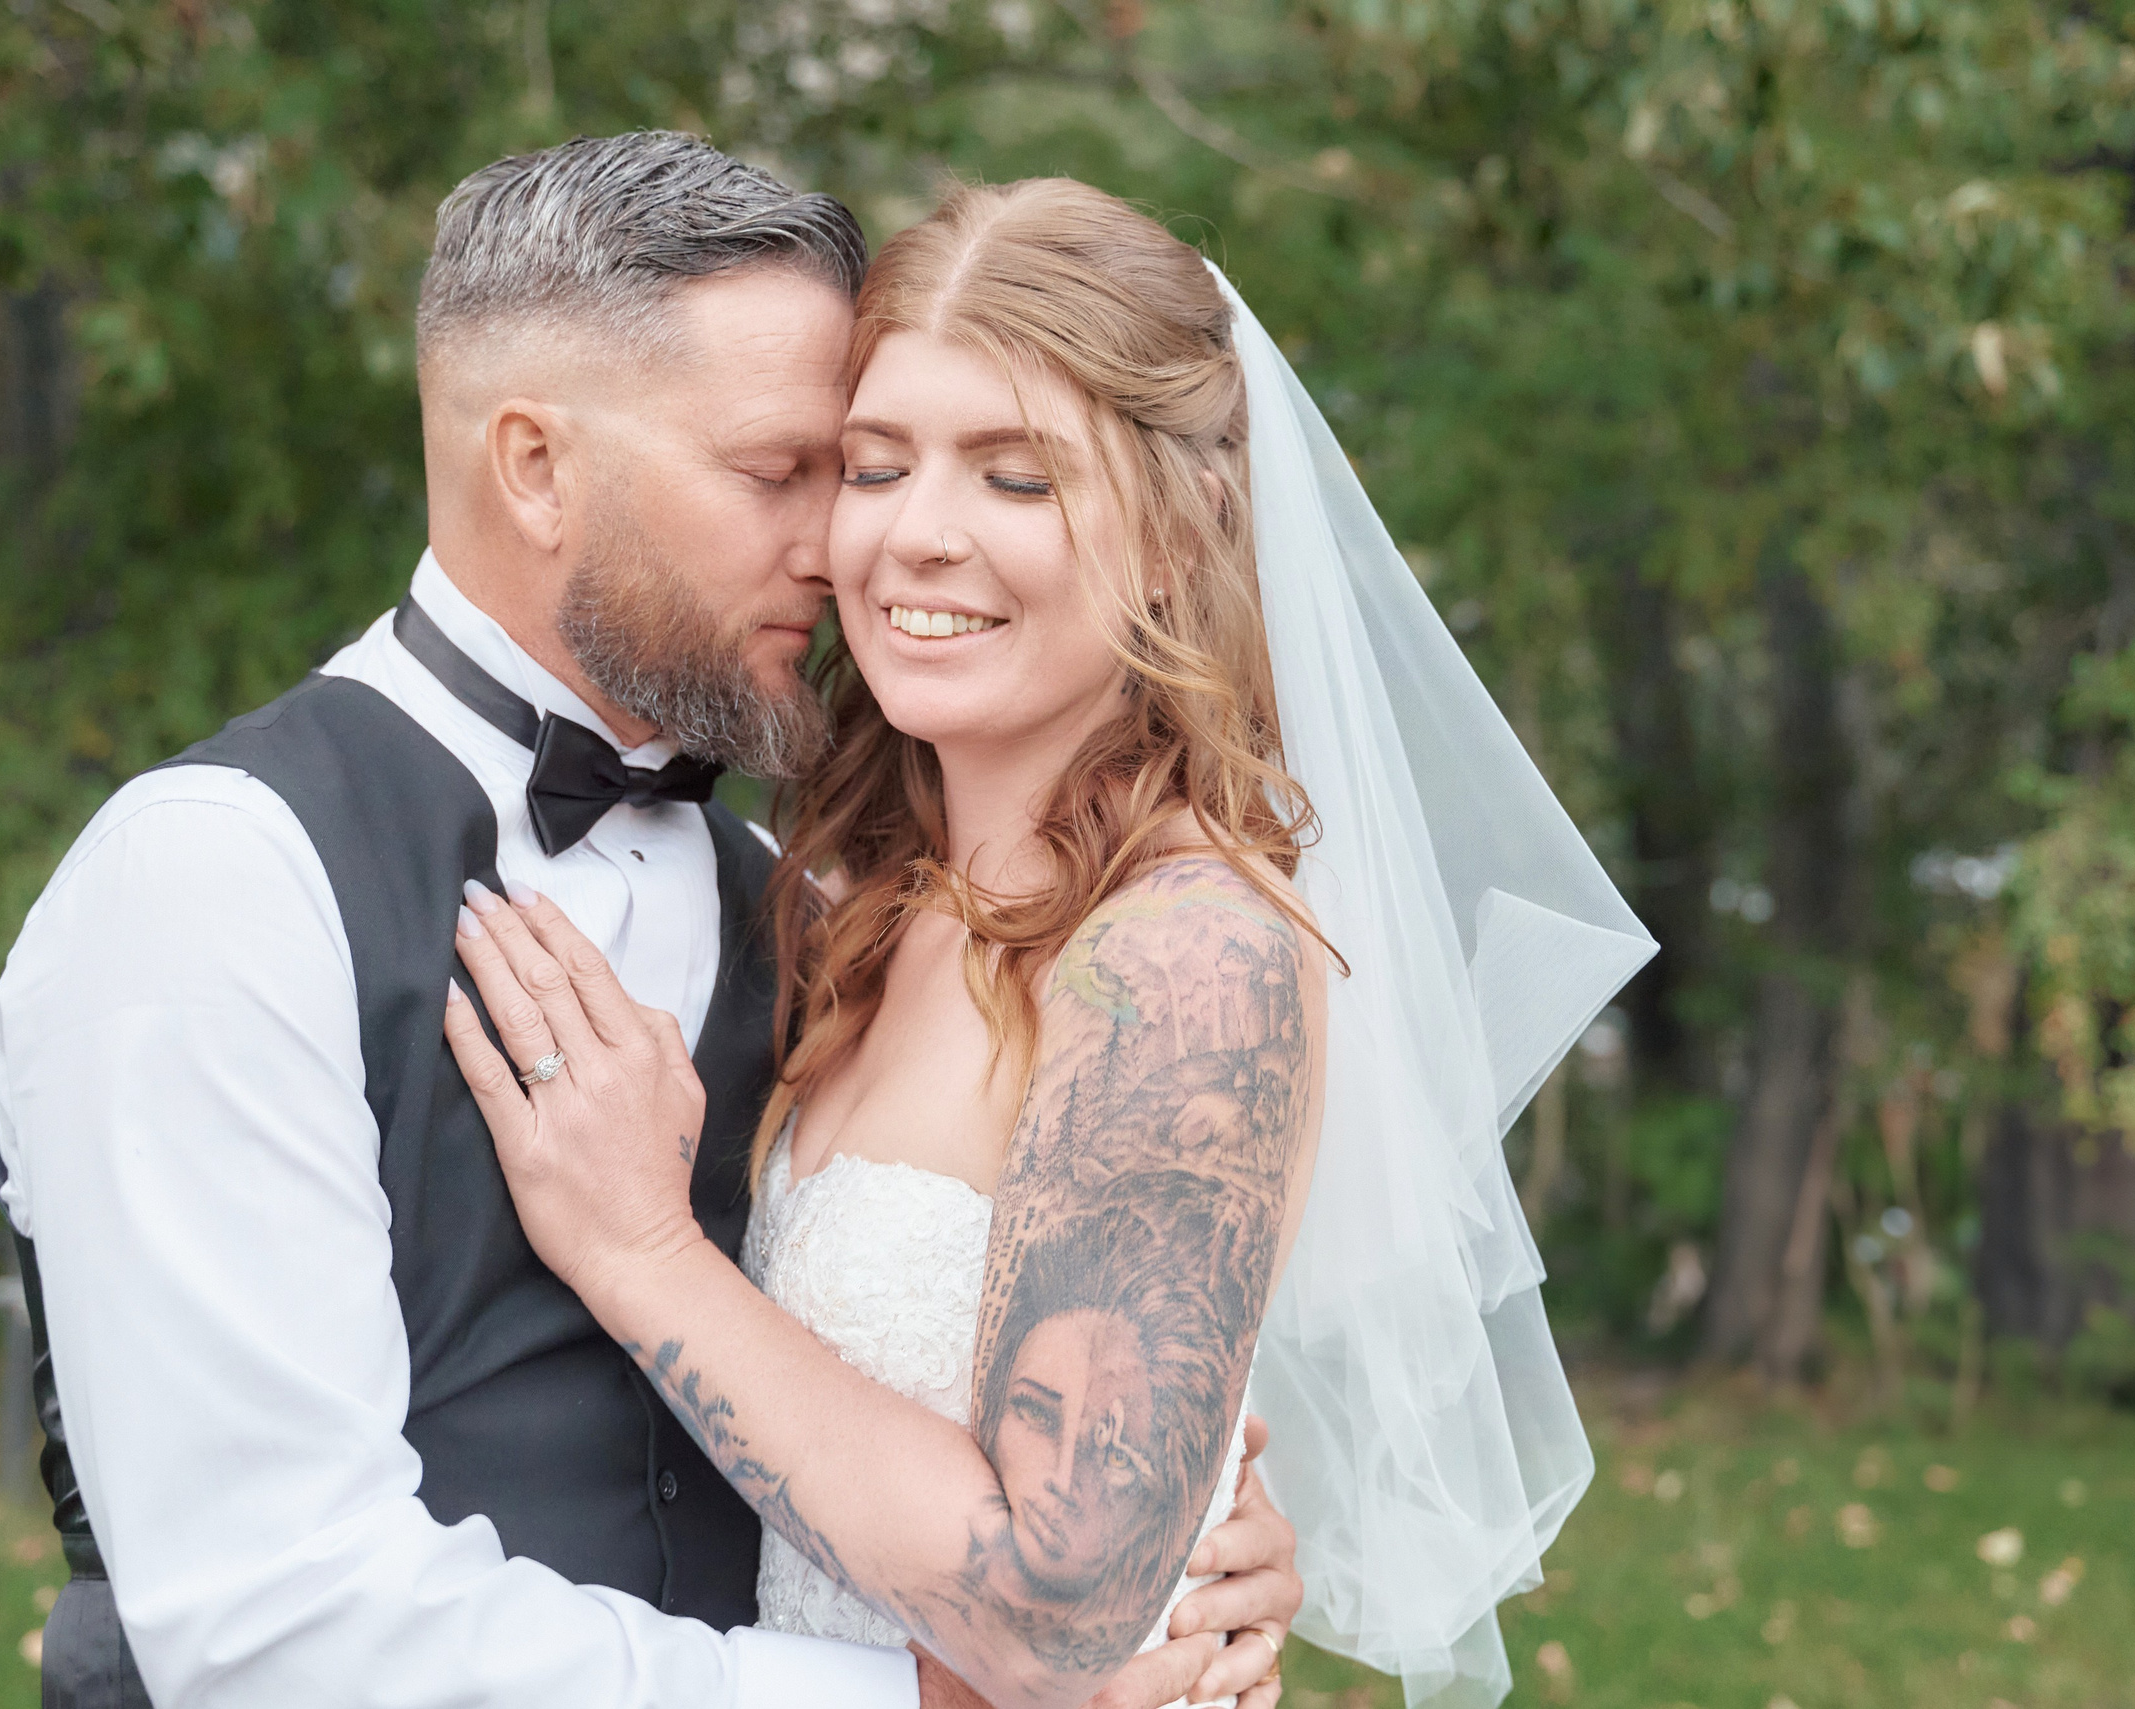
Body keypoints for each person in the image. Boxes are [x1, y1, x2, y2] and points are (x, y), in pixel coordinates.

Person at [0, 135, 1302, 1709]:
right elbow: (279, 1627)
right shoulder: (212, 885)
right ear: (535, 466)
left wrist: (1179, 1532)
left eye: (851, 468)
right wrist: (931, 1698)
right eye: (788, 472)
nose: (849, 544)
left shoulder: (811, 908)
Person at [440, 177, 1659, 1709]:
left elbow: (1055, 1607)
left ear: (1178, 529)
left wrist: (642, 1254)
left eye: (1017, 477)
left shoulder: (1189, 957)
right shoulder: (862, 909)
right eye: (876, 467)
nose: (917, 537)